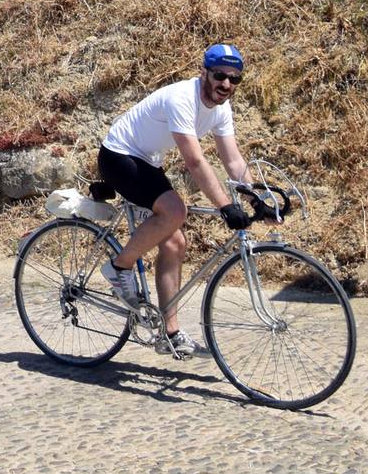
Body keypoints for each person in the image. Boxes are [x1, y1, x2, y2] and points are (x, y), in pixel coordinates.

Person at [96, 43, 258, 360]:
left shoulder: (221, 109)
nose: (226, 84)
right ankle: (119, 267)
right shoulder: (182, 98)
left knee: (174, 244)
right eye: (220, 75)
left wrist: (256, 199)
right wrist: (226, 206)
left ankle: (170, 334)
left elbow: (234, 161)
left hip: (147, 161)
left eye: (234, 79)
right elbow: (195, 162)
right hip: (118, 156)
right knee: (175, 210)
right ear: (204, 73)